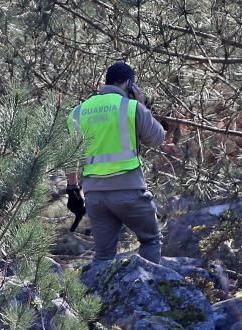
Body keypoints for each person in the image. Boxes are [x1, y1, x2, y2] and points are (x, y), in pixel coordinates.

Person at [66, 62, 170, 264]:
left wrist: (72, 189)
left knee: (103, 256)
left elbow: (69, 156)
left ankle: (97, 294)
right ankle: (146, 291)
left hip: (95, 196)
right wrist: (143, 106)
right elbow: (157, 138)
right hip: (129, 191)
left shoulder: (77, 113)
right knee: (150, 240)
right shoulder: (131, 108)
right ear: (129, 84)